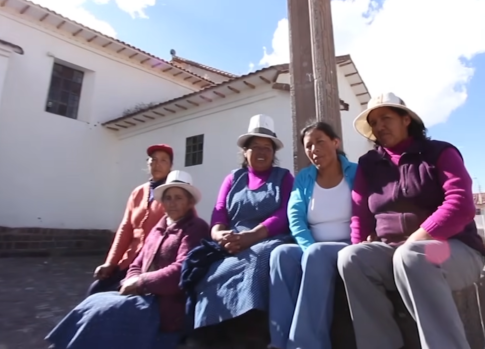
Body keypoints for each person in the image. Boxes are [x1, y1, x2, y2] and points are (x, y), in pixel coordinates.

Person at [337, 92, 485, 349]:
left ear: (406, 120)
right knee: (350, 257)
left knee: (413, 255)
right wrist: (360, 243)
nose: (379, 126)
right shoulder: (368, 164)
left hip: (452, 249)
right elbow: (360, 213)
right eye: (374, 122)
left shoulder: (440, 152)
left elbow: (460, 204)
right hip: (393, 252)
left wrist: (417, 237)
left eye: (386, 118)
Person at [45, 171, 210, 349]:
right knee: (94, 301)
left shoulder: (196, 228)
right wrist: (132, 279)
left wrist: (141, 282)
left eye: (178, 198)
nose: (172, 203)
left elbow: (182, 269)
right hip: (143, 295)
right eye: (168, 198)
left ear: (189, 202)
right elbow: (137, 262)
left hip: (167, 304)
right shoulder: (159, 228)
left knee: (105, 312)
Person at [192, 114, 295, 339]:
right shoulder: (232, 179)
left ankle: (251, 331)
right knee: (210, 271)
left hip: (269, 238)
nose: (261, 152)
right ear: (245, 151)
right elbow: (219, 211)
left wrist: (253, 235)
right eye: (255, 146)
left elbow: (284, 214)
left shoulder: (284, 178)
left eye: (267, 147)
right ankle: (211, 335)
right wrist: (219, 235)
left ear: (273, 153)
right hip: (233, 240)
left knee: (255, 262)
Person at [268, 121, 358, 349]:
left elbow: (365, 209)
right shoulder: (304, 178)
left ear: (335, 143)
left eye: (320, 142)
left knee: (316, 254)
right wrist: (307, 247)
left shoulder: (355, 172)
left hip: (347, 244)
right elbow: (295, 217)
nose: (314, 150)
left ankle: (306, 344)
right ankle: (279, 342)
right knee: (281, 254)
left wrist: (356, 243)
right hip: (313, 245)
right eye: (309, 146)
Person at [88, 144, 173, 296]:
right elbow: (125, 228)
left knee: (121, 298)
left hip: (154, 263)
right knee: (97, 289)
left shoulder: (175, 193)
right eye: (153, 160)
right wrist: (111, 263)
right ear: (148, 164)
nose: (157, 164)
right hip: (130, 260)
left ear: (170, 166)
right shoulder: (138, 192)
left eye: (163, 160)